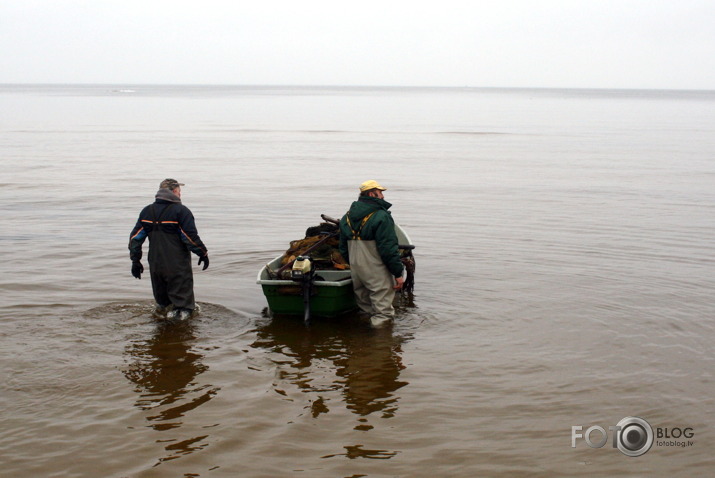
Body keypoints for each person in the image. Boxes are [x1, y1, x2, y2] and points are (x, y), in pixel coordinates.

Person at [129, 178, 209, 321]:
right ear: (173, 192)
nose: (180, 195)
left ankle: (162, 333)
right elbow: (189, 238)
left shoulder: (147, 211)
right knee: (183, 309)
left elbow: (135, 239)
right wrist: (203, 253)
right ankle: (179, 336)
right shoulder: (181, 211)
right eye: (179, 191)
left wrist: (135, 261)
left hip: (155, 265)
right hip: (177, 266)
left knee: (162, 306)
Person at [339, 180, 404, 327]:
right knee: (383, 313)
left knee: (365, 308)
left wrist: (354, 264)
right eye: (380, 192)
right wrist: (398, 273)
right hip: (376, 268)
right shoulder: (381, 216)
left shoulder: (347, 216)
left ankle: (362, 341)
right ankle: (379, 345)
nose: (382, 196)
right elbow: (388, 249)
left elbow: (342, 247)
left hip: (356, 268)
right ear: (371, 194)